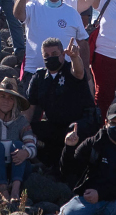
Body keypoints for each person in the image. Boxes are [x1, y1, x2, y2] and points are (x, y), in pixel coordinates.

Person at [24, 37, 92, 170]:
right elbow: (29, 108)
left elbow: (78, 72)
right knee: (30, 129)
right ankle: (38, 163)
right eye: (46, 55)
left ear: (62, 54)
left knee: (73, 134)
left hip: (79, 125)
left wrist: (75, 57)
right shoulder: (39, 77)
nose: (50, 58)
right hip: (54, 125)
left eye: (54, 54)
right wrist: (22, 129)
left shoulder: (70, 70)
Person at [14, 0, 88, 80]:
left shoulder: (72, 12)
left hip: (65, 72)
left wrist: (85, 70)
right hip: (34, 71)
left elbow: (83, 42)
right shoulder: (33, 6)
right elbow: (18, 14)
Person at [0, 78, 37, 207]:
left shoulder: (21, 121)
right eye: (2, 96)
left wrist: (26, 153)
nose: (6, 100)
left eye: (10, 98)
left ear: (15, 102)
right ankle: (3, 190)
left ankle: (15, 189)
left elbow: (32, 146)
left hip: (15, 168)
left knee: (20, 145)